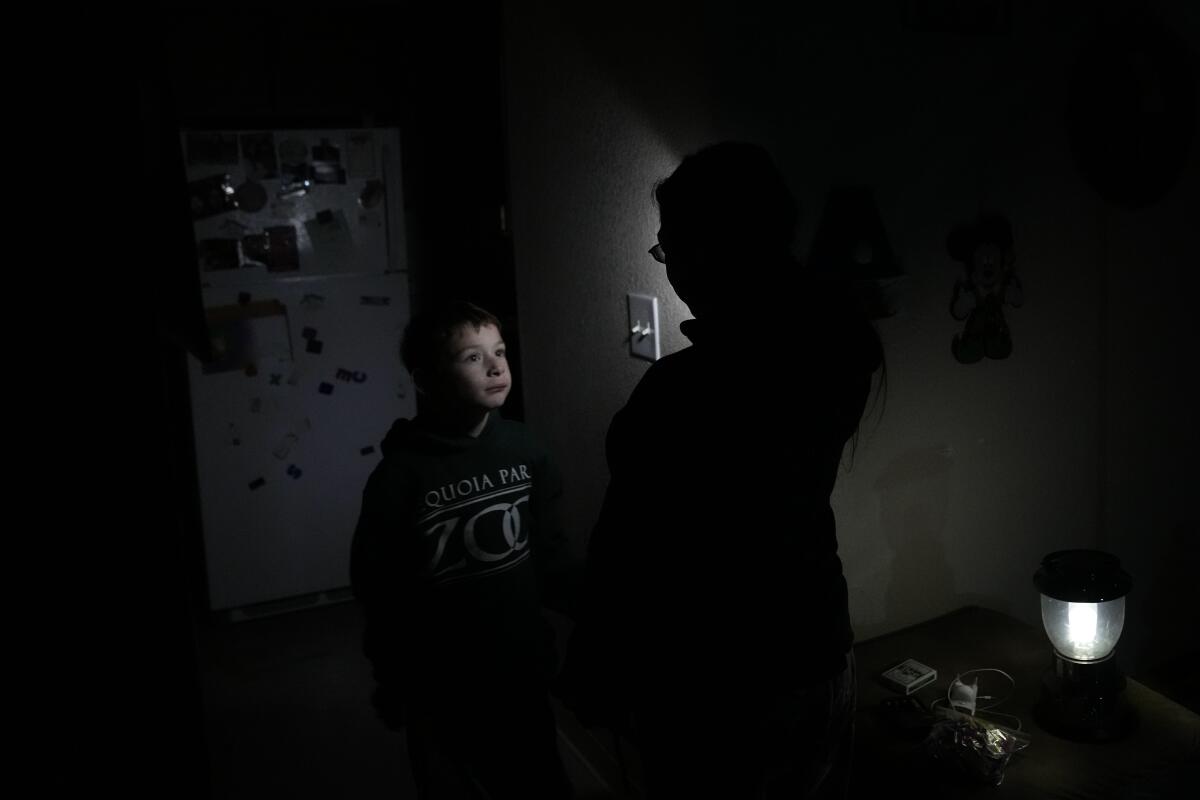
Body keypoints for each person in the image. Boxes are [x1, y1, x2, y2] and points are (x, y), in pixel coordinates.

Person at [561, 142, 885, 798]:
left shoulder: (682, 394)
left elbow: (629, 554)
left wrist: (592, 672)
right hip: (815, 648)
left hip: (716, 682)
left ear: (709, 248)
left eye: (669, 247)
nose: (670, 267)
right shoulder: (837, 348)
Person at [351, 300, 575, 799]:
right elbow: (380, 587)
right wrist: (391, 677)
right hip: (439, 682)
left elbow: (551, 554)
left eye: (499, 352)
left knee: (539, 780)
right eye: (472, 357)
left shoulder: (527, 451)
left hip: (519, 668)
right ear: (426, 378)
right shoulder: (400, 477)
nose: (497, 367)